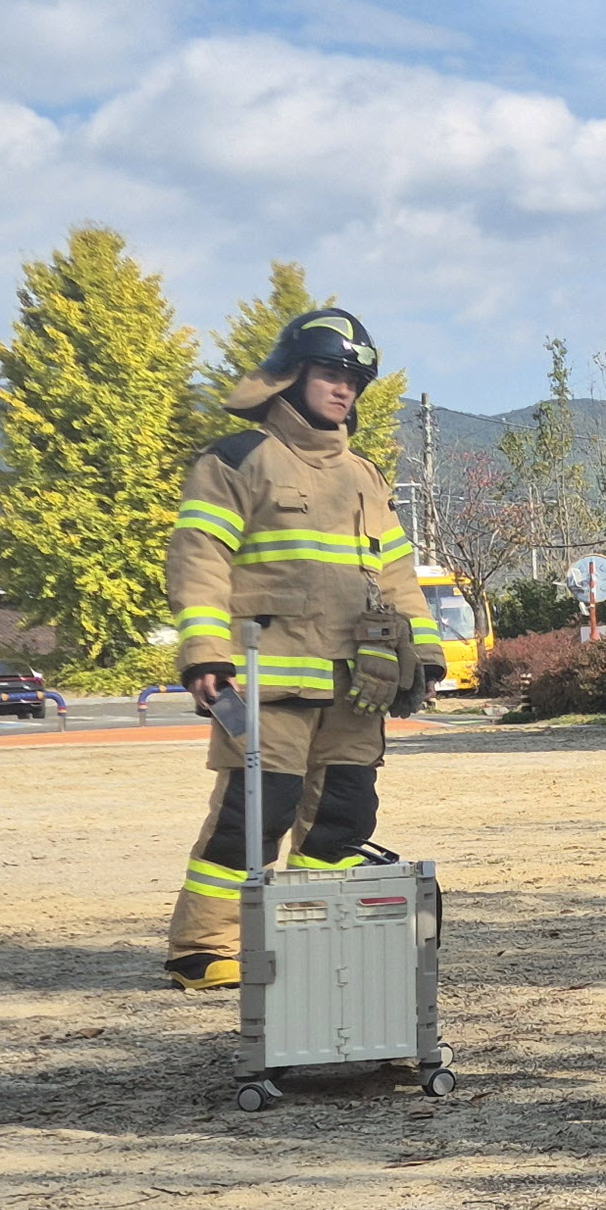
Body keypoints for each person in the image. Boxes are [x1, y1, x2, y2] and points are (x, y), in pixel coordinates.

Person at [161, 307, 443, 992]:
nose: (343, 389)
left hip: (357, 688)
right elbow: (199, 558)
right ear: (291, 374)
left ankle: (312, 931)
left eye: (353, 379)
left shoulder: (367, 478)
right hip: (269, 682)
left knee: (345, 816)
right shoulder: (237, 461)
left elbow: (399, 574)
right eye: (330, 373)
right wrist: (204, 653)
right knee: (255, 815)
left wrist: (426, 655)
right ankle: (203, 946)